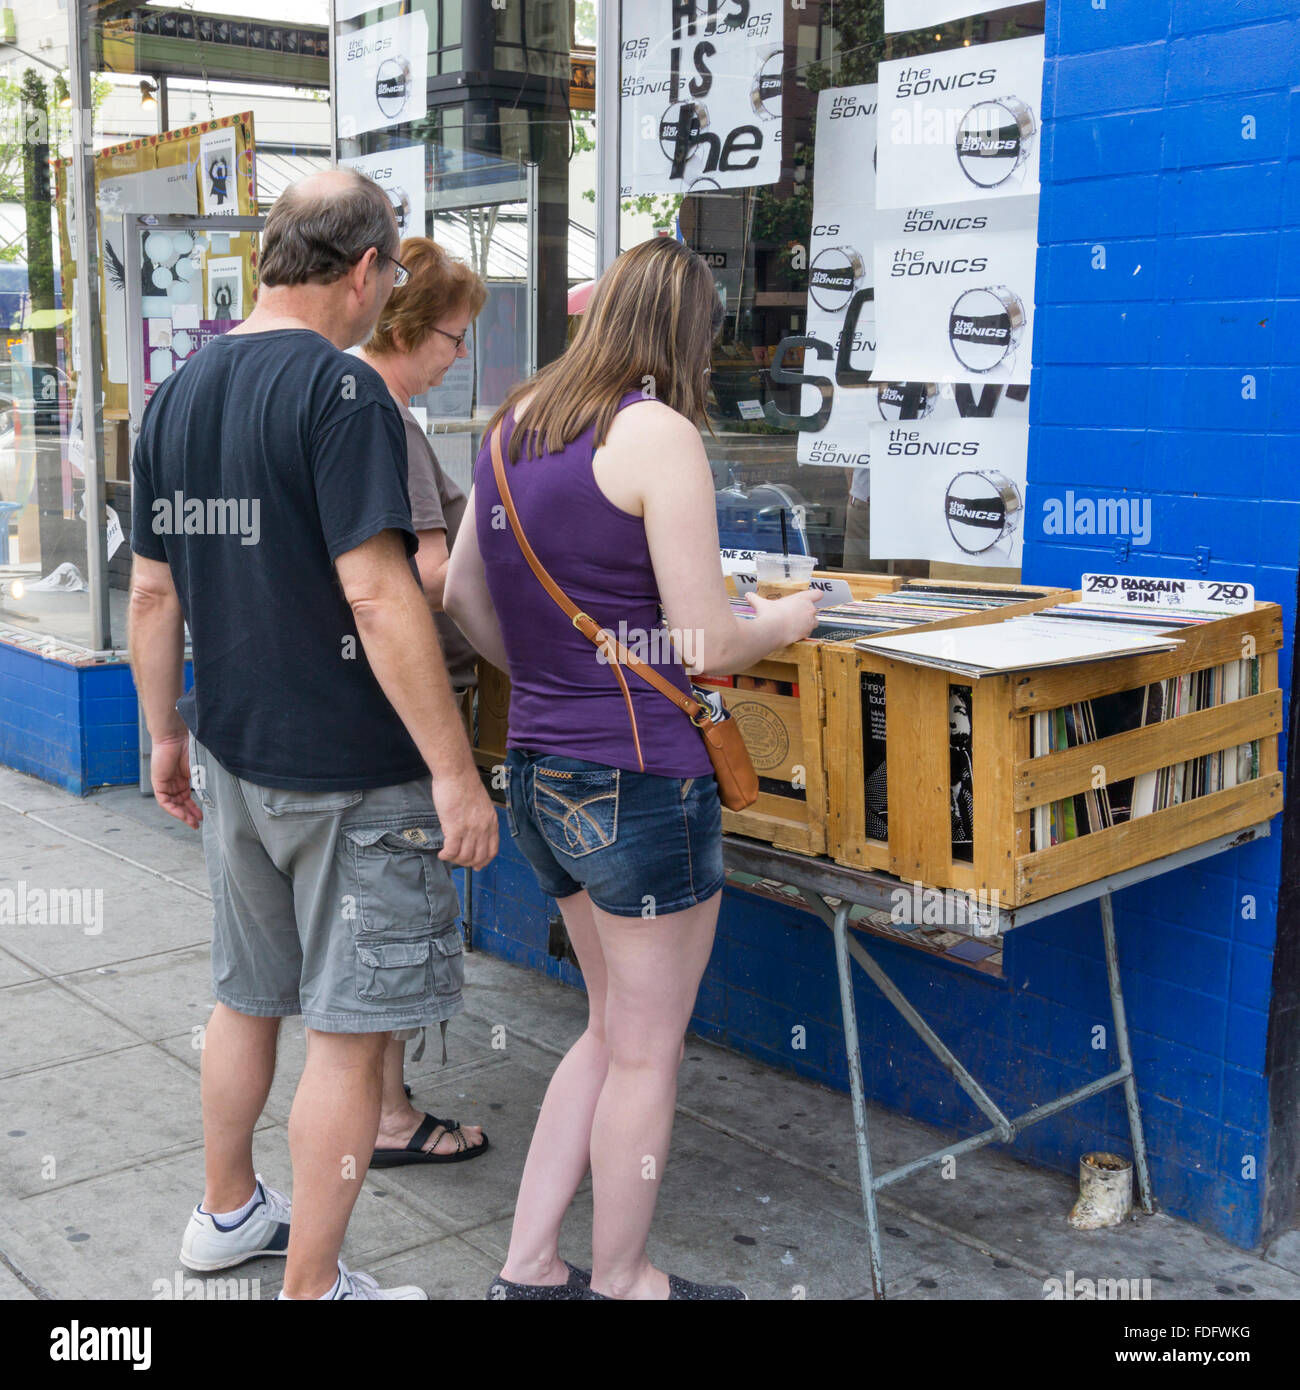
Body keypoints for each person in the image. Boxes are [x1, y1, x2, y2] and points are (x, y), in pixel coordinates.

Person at [127, 168, 498, 1302]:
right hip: (355, 774)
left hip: (235, 754)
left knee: (246, 996)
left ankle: (226, 1212)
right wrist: (455, 773)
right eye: (384, 272)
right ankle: (316, 1286)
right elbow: (384, 599)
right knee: (343, 1035)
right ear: (360, 272)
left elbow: (152, 593)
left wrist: (163, 736)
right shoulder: (344, 396)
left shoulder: (176, 395)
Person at [445, 237, 820, 1300]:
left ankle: (528, 1264)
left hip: (539, 770)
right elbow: (703, 643)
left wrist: (558, 677)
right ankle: (624, 1279)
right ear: (688, 332)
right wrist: (787, 614)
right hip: (642, 780)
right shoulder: (657, 433)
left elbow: (464, 596)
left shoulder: (515, 422)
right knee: (648, 1050)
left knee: (607, 1030)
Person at [360, 236, 491, 1167]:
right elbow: (428, 572)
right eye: (453, 338)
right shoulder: (388, 420)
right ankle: (391, 1119)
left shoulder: (340, 396)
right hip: (411, 708)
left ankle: (380, 1107)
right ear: (408, 327)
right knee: (393, 928)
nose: (458, 357)